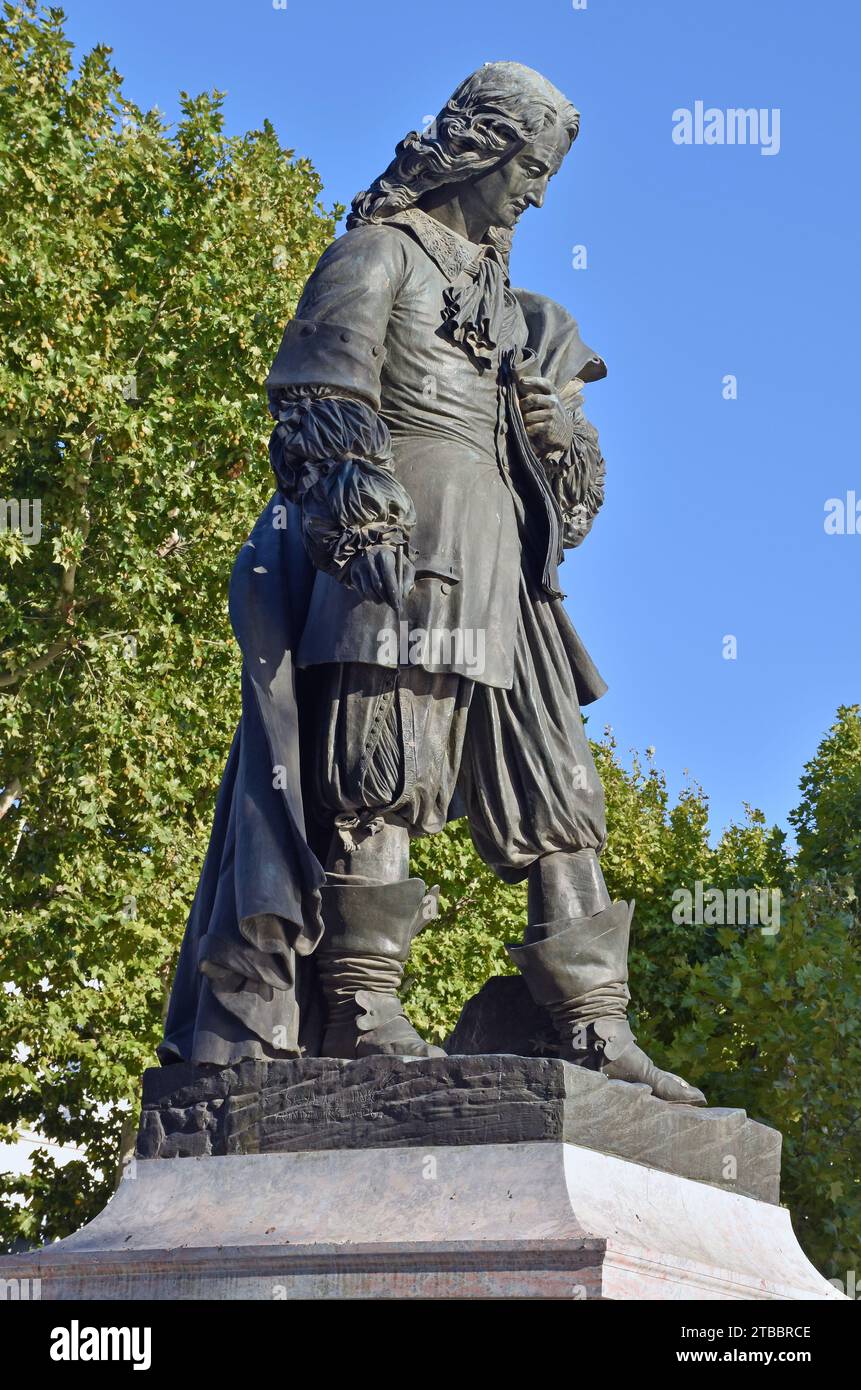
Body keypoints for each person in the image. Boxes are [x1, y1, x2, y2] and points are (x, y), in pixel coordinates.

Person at [160, 62, 705, 1106]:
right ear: (482, 149)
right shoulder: (377, 257)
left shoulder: (524, 314)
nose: (537, 193)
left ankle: (594, 1023)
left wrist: (561, 445)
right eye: (530, 167)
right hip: (409, 551)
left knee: (560, 795)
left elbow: (576, 502)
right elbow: (319, 389)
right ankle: (365, 1007)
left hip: (514, 578)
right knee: (384, 772)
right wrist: (365, 520)